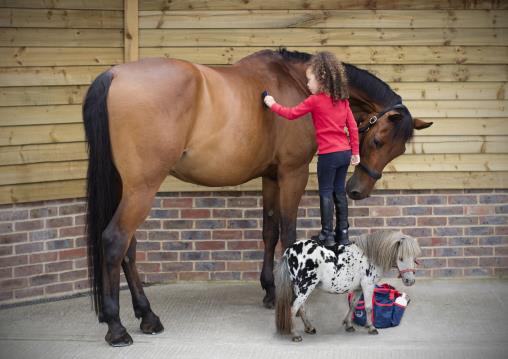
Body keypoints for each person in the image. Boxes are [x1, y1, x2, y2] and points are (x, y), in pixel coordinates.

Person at [263, 51, 359, 247]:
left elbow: (290, 114)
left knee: (325, 192)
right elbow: (353, 127)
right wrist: (355, 152)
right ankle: (343, 233)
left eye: (310, 80)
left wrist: (271, 104)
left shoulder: (315, 100)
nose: (307, 84)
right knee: (339, 192)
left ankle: (327, 235)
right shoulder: (342, 101)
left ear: (321, 79)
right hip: (344, 153)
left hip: (328, 155)